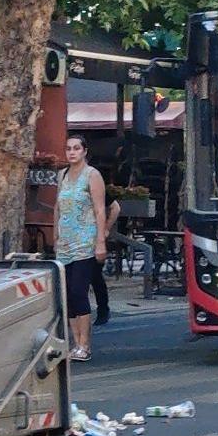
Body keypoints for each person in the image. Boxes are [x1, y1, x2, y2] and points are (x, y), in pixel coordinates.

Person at [56, 134, 107, 361]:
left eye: (76, 148)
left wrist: (100, 241)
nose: (72, 152)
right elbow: (58, 206)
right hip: (65, 241)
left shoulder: (92, 175)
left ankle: (85, 344)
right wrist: (55, 234)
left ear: (84, 151)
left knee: (79, 291)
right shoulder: (62, 175)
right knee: (66, 296)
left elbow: (99, 209)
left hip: (85, 240)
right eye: (68, 148)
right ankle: (75, 342)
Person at [92, 195, 122, 327]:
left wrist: (106, 229)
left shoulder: (96, 186)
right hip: (77, 236)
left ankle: (103, 310)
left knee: (95, 275)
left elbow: (115, 208)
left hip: (94, 237)